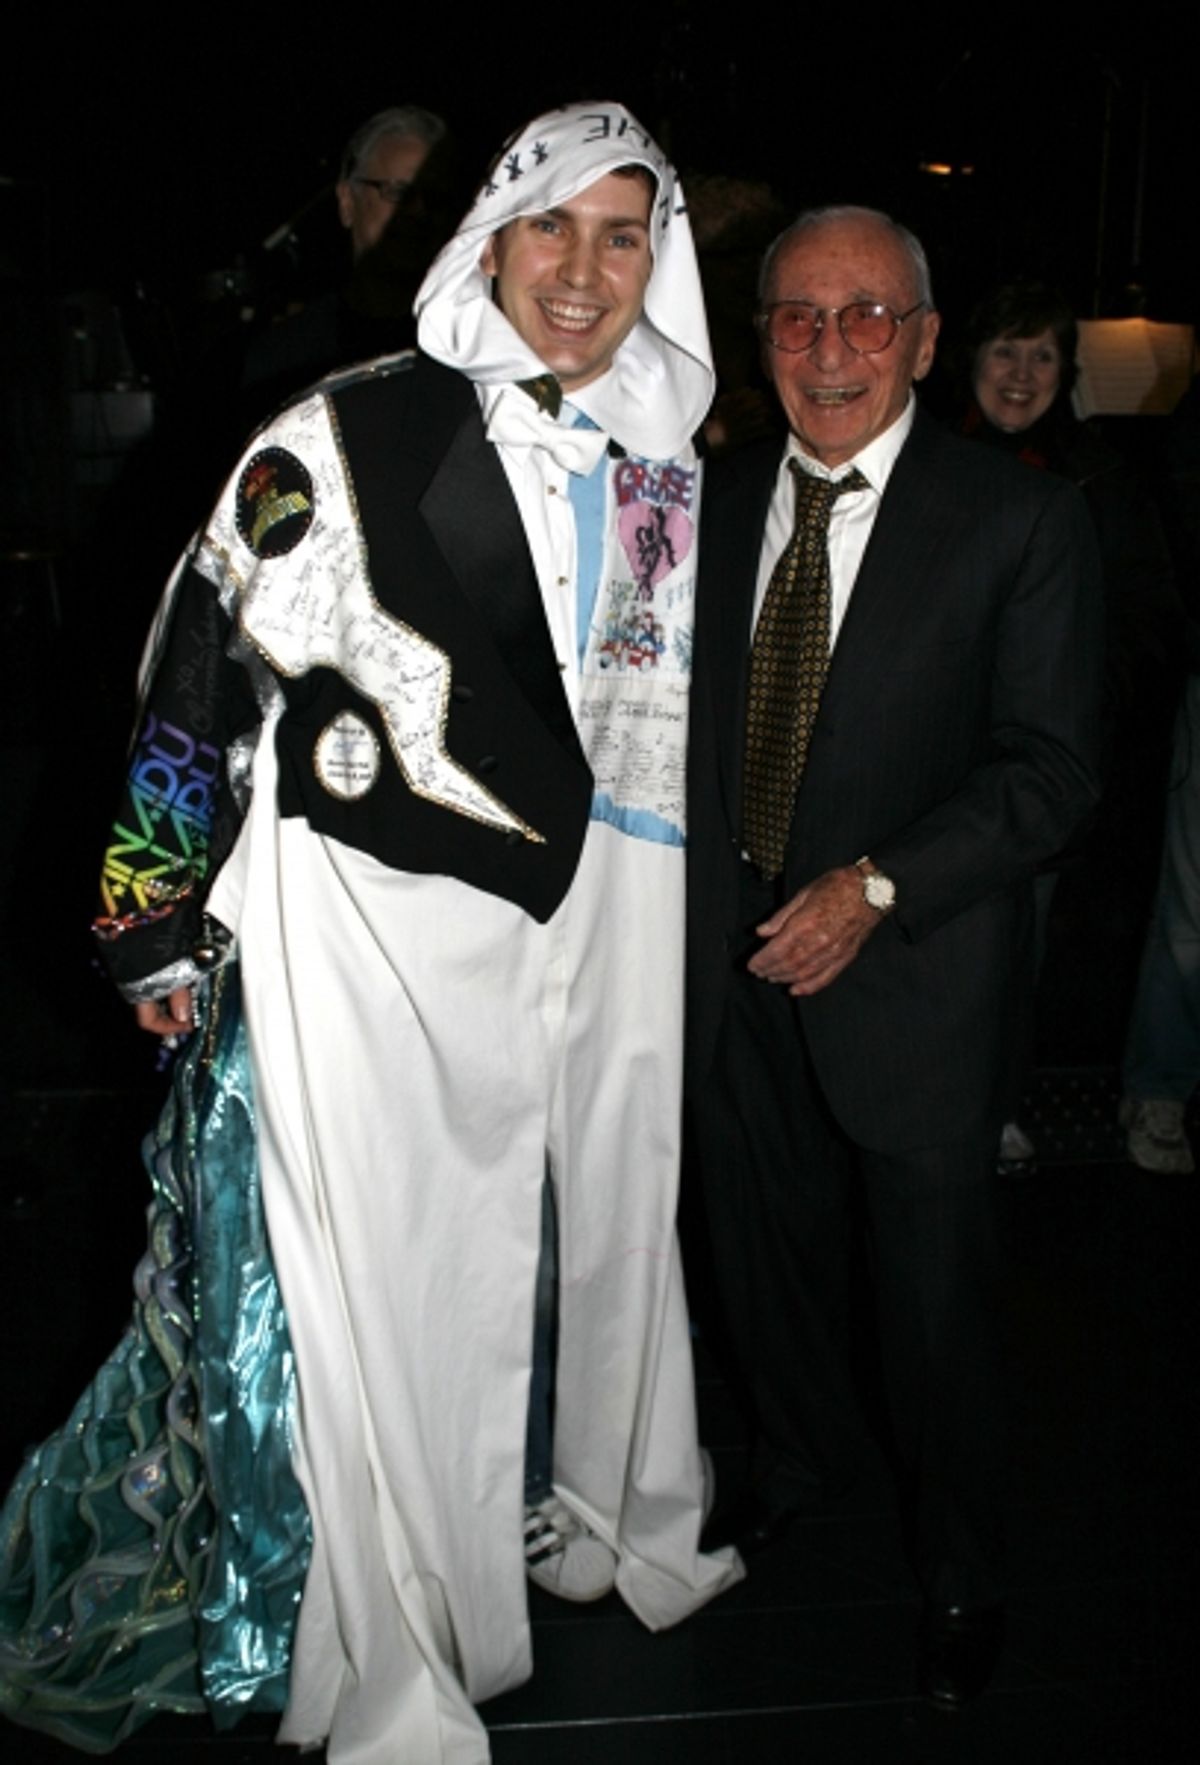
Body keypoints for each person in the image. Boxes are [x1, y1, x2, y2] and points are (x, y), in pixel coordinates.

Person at [1, 102, 740, 1765]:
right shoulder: (341, 431)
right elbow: (197, 664)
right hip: (373, 920)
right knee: (398, 1288)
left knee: (575, 1248)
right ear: (489, 234)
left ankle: (577, 1521)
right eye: (552, 225)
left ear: (660, 260)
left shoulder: (660, 463)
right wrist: (148, 921)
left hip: (584, 910)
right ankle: (397, 1623)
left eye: (624, 235)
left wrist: (640, 928)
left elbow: (639, 721)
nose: (582, 269)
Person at [686, 207, 1104, 1708]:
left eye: (868, 317)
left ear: (927, 340)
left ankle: (958, 1565)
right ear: (762, 340)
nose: (830, 348)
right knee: (762, 1263)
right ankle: (796, 1466)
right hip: (730, 976)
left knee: (935, 1317)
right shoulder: (711, 506)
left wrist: (876, 885)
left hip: (912, 977)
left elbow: (1054, 774)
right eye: (798, 318)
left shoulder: (1020, 521)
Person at [956, 280, 1180, 1172]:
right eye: (1005, 351)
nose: (1020, 374)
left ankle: (998, 1105)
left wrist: (1073, 701)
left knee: (1017, 948)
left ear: (1067, 372)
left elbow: (1144, 618)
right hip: (926, 757)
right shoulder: (919, 457)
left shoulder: (1097, 479)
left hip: (1033, 768)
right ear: (967, 359)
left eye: (1042, 355)